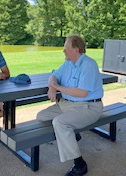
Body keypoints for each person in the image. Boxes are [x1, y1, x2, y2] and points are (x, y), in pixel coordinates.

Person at [37, 35, 103, 176]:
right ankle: (74, 134)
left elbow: (82, 93)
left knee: (59, 123)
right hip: (67, 105)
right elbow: (53, 76)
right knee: (41, 116)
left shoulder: (89, 64)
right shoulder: (68, 63)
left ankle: (80, 165)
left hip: (88, 107)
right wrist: (52, 87)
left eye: (66, 48)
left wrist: (58, 87)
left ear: (76, 50)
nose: (63, 51)